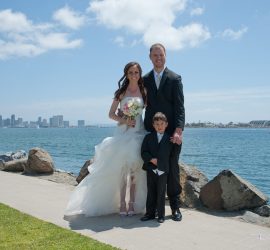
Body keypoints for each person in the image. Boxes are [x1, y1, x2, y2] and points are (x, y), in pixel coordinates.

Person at [65, 62, 147, 217]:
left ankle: (132, 204)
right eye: (131, 72)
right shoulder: (121, 93)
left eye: (136, 72)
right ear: (126, 74)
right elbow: (111, 114)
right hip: (124, 134)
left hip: (139, 133)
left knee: (136, 171)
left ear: (139, 74)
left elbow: (146, 113)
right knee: (123, 171)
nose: (134, 75)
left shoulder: (144, 91)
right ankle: (122, 203)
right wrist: (125, 120)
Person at [143, 43, 185, 221]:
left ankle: (175, 208)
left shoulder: (175, 78)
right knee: (152, 173)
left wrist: (178, 130)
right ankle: (151, 210)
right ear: (150, 57)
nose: (158, 58)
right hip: (151, 133)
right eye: (155, 55)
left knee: (172, 171)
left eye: (161, 55)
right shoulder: (144, 79)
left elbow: (180, 107)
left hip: (170, 136)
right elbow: (140, 104)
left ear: (165, 55)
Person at [140, 112, 173, 223]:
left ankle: (161, 215)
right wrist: (151, 159)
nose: (159, 126)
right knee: (151, 192)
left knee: (161, 193)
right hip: (151, 169)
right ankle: (149, 213)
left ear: (166, 124)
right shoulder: (148, 137)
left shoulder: (170, 139)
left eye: (162, 123)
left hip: (163, 170)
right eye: (157, 124)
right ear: (153, 125)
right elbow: (143, 152)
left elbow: (171, 155)